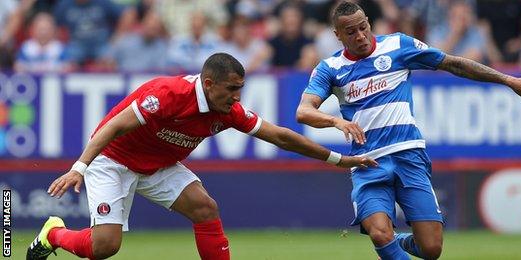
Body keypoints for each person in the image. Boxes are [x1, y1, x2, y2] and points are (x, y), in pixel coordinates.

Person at [26, 53, 378, 260]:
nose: (237, 98)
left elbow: (280, 137)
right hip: (113, 160)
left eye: (240, 89)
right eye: (231, 89)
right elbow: (113, 127)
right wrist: (79, 167)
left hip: (159, 164)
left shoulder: (229, 111)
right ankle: (53, 234)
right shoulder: (167, 94)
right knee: (105, 247)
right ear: (209, 85)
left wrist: (338, 159)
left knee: (205, 208)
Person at [296, 2, 521, 260]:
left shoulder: (399, 46)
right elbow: (304, 111)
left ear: (369, 22)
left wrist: (508, 79)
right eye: (350, 32)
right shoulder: (330, 68)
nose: (360, 36)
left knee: (431, 249)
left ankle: (395, 243)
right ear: (337, 35)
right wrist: (336, 121)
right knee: (379, 233)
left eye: (363, 28)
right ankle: (387, 242)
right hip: (368, 161)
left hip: (409, 155)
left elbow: (453, 63)